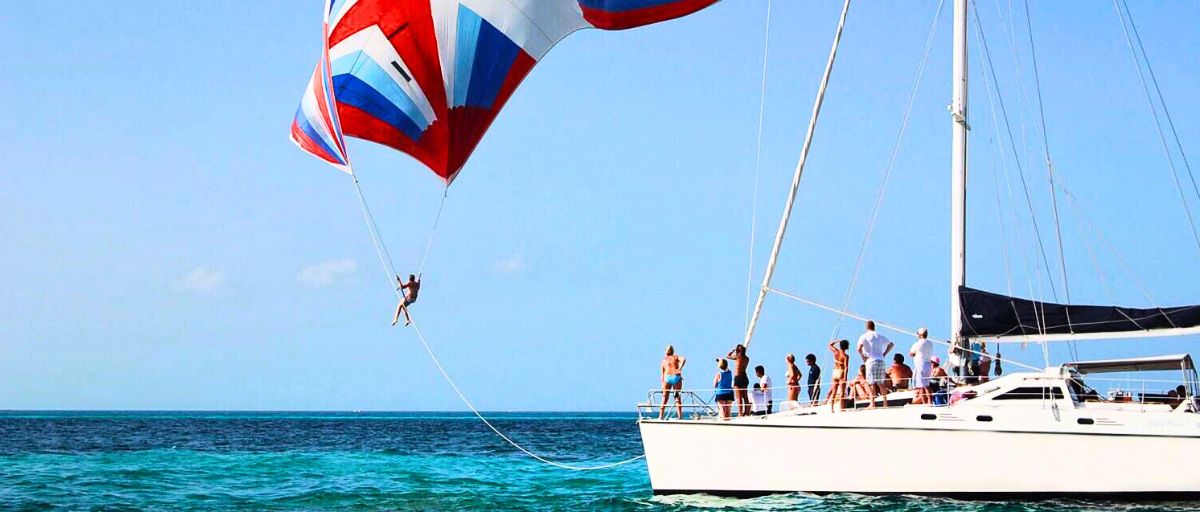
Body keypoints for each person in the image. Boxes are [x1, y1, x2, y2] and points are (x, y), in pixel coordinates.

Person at [856, 320, 893, 408]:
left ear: (866, 327)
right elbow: (891, 344)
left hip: (871, 361)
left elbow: (858, 348)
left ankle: (872, 403)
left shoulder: (864, 336)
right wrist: (884, 353)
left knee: (871, 383)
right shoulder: (879, 335)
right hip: (880, 360)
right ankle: (885, 403)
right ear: (874, 326)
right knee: (881, 383)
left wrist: (863, 357)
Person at [659, 345, 686, 420]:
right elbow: (683, 359)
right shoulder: (676, 357)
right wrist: (679, 369)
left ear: (665, 351)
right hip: (676, 376)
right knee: (677, 397)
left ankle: (660, 416)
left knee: (664, 397)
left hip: (667, 377)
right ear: (673, 351)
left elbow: (662, 374)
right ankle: (680, 416)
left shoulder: (664, 360)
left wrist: (662, 384)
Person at [909, 328, 934, 405]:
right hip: (928, 364)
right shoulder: (930, 343)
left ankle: (924, 402)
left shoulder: (917, 343)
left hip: (920, 364)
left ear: (919, 334)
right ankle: (929, 401)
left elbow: (911, 354)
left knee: (921, 386)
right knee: (926, 384)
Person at [826, 339, 851, 411]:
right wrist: (845, 377)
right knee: (842, 391)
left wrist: (837, 341)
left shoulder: (836, 352)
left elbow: (830, 345)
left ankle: (832, 408)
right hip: (841, 371)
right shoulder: (845, 356)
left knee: (834, 390)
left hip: (835, 371)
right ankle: (841, 407)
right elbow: (846, 367)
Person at [726, 344, 751, 416]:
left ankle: (740, 413)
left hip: (738, 377)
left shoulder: (737, 357)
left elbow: (727, 356)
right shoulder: (747, 358)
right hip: (744, 377)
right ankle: (747, 412)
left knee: (739, 397)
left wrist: (733, 350)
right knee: (745, 396)